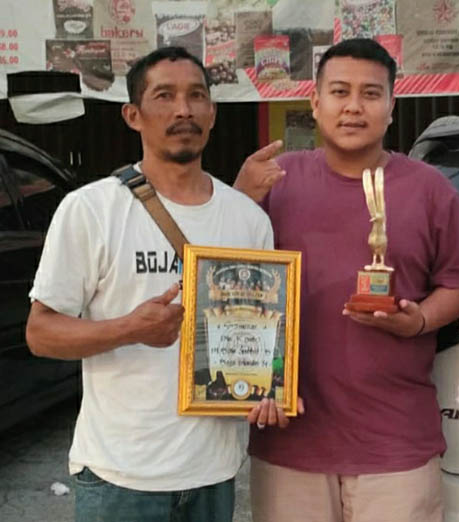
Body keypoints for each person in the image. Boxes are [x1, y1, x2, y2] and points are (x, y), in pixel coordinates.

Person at [25, 46, 273, 522]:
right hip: (121, 478)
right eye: (164, 96)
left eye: (196, 96)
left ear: (212, 113)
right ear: (133, 115)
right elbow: (40, 333)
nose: (183, 109)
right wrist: (130, 329)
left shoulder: (248, 219)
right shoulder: (91, 209)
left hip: (213, 473)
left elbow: (258, 339)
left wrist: (268, 390)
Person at [234, 38, 459, 522]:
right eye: (340, 91)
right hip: (290, 439)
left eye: (370, 93)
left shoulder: (429, 189)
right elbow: (225, 282)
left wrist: (418, 320)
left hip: (396, 443)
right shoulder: (274, 181)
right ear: (315, 102)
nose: (353, 107)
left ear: (391, 105)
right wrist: (237, 198)